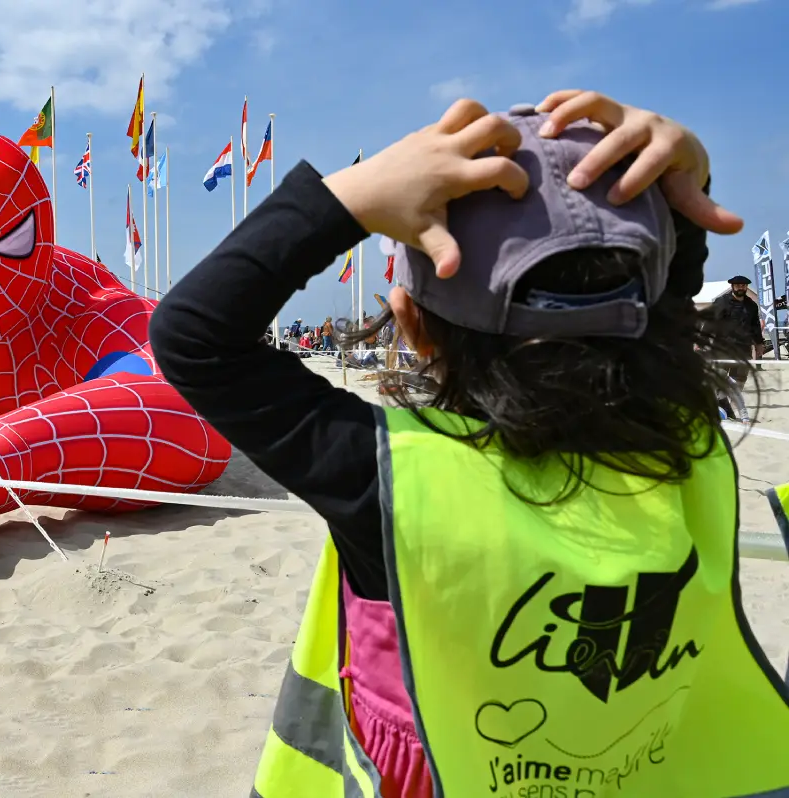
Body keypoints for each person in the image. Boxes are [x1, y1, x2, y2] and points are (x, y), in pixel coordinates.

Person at [150, 92, 789, 796]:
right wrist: (684, 185)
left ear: (412, 327)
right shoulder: (690, 446)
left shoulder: (394, 479)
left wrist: (354, 194)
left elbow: (193, 337)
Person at [711, 275, 763, 419]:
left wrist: (759, 343)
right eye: (738, 285)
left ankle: (725, 405)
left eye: (744, 285)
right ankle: (723, 407)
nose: (741, 287)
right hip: (722, 348)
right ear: (732, 286)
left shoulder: (751, 305)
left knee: (739, 380)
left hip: (743, 348)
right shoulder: (721, 302)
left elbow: (755, 326)